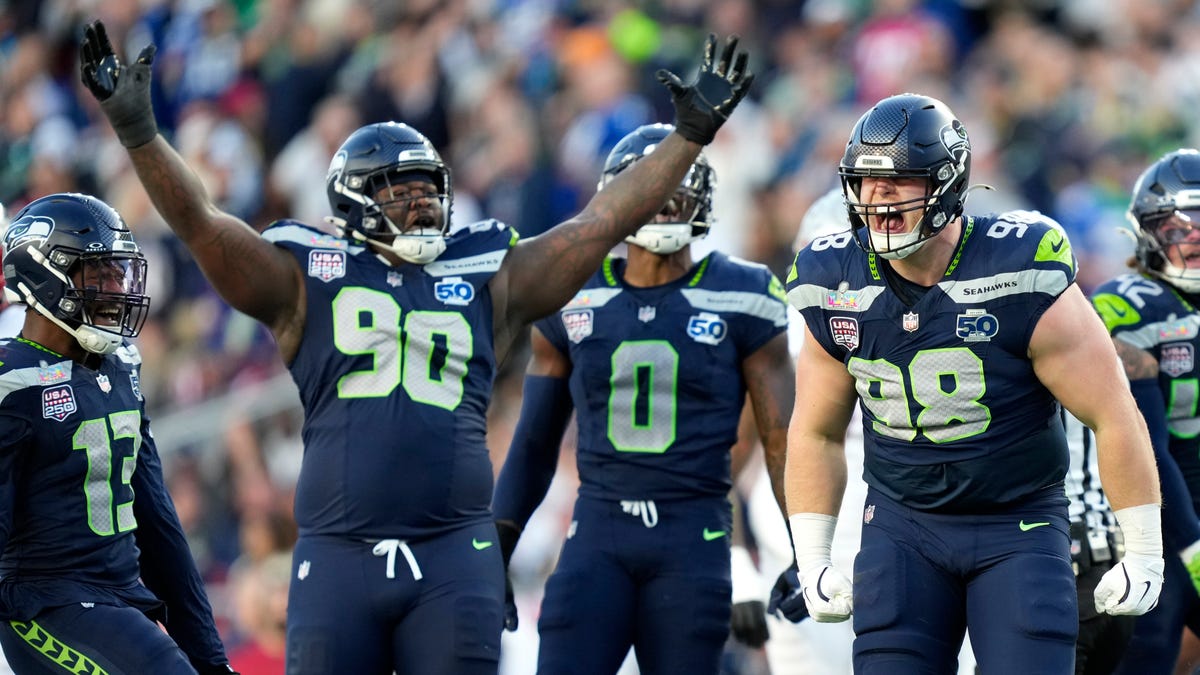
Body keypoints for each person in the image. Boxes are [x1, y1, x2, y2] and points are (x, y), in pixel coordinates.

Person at [78, 18, 753, 675]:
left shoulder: (488, 273)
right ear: (353, 201)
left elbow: (601, 222)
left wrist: (688, 137)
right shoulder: (305, 276)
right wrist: (139, 131)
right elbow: (201, 221)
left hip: (453, 552)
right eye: (401, 193)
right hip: (339, 554)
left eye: (429, 191)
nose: (423, 205)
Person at [772, 92, 1164, 673]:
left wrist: (1145, 548)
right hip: (901, 526)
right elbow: (815, 431)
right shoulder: (832, 279)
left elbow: (1113, 412)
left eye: (897, 182)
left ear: (947, 182)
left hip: (1017, 523)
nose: (877, 199)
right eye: (866, 182)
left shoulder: (1019, 265)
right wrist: (812, 555)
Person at [490, 123, 793, 674]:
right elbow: (534, 443)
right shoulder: (575, 294)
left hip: (693, 537)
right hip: (598, 534)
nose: (665, 200)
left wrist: (806, 551)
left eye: (679, 186)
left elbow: (781, 445)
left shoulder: (743, 293)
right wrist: (496, 548)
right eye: (652, 188)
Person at [0, 193, 236, 674]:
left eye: (118, 273)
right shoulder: (12, 381)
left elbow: (158, 525)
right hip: (42, 606)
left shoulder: (122, 365)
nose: (115, 289)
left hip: (121, 601)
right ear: (44, 274)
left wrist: (211, 657)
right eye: (98, 274)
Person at [1089, 148, 1200, 675]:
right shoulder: (1130, 304)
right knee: (1151, 642)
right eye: (1177, 226)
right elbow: (1146, 449)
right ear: (1147, 233)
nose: (1194, 238)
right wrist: (1193, 544)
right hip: (1154, 506)